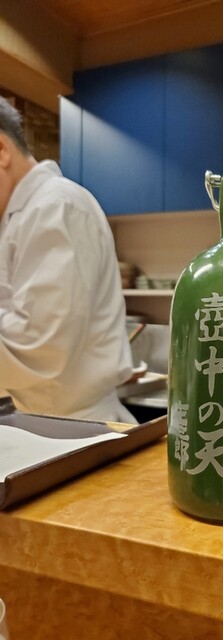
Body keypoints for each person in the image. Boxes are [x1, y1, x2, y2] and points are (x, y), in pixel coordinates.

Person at [0, 96, 137, 422]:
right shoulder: (20, 217)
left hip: (74, 427)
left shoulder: (55, 206)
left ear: (1, 151)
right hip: (42, 421)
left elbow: (41, 347)